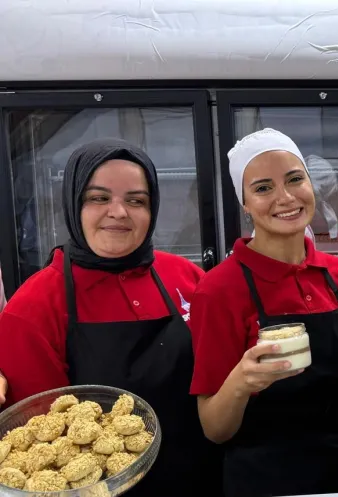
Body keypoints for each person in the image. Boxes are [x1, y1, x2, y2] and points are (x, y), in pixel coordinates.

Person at [188, 128, 338, 496]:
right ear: (244, 203)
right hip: (266, 480)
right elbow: (215, 428)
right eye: (263, 188)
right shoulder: (218, 291)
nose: (285, 197)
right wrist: (242, 382)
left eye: (295, 179)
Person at [0, 138, 222, 496]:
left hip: (202, 478)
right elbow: (43, 444)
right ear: (74, 205)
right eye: (98, 198)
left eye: (136, 200)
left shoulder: (188, 279)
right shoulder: (33, 307)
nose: (119, 212)